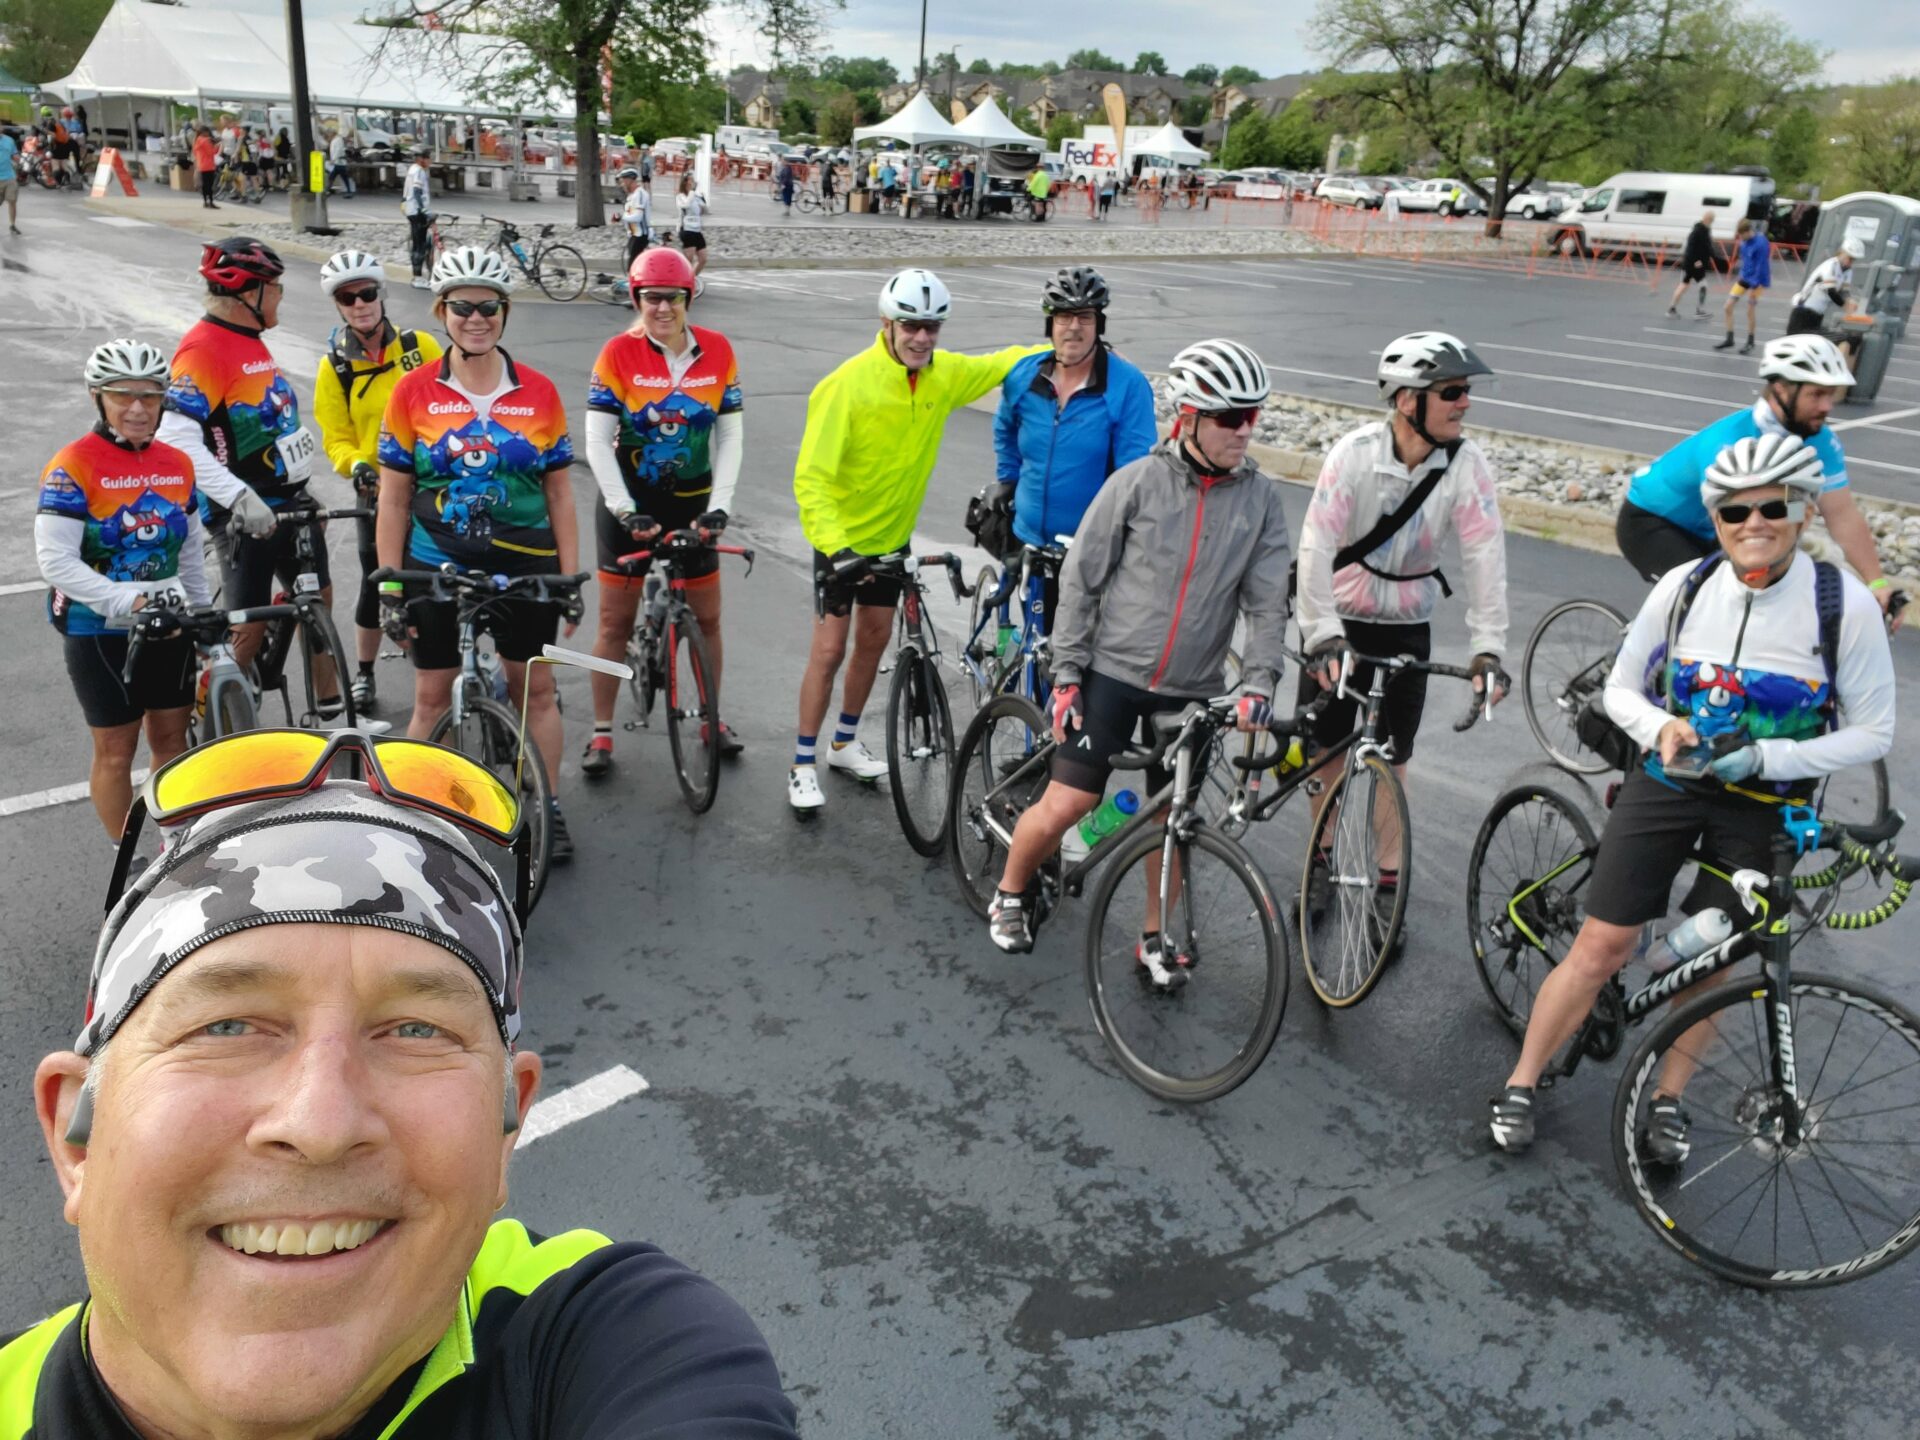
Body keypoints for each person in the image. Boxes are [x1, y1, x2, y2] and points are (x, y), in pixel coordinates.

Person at [6, 735, 802, 1436]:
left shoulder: (605, 1337)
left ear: (506, 1128)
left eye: (418, 1031)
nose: (321, 1122)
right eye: (227, 1026)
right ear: (74, 1130)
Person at [1489, 433, 1896, 1156]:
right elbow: (1619, 688)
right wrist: (1663, 724)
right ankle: (1523, 1080)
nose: (1753, 525)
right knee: (1603, 944)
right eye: (1733, 514)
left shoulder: (1843, 609)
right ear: (1715, 522)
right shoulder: (1685, 589)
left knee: (1710, 960)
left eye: (1772, 507)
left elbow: (1874, 732)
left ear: (1801, 512)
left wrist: (1771, 754)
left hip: (1767, 806)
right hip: (1667, 783)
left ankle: (1668, 1099)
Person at [985, 340, 1292, 965]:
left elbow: (1267, 604)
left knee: (1171, 825)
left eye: (1254, 415)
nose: (1247, 430)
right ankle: (1010, 892)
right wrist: (1067, 674)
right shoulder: (1138, 484)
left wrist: (1259, 681)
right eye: (1233, 417)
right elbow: (1083, 580)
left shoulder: (1261, 501)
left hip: (1192, 689)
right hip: (1111, 674)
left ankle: (1153, 938)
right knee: (1072, 800)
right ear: (1190, 417)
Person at [789, 269, 1040, 814]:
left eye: (932, 326)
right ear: (887, 323)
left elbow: (1004, 361)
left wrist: (1071, 345)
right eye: (911, 325)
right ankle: (803, 763)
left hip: (890, 543)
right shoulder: (846, 385)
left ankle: (843, 744)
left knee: (873, 644)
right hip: (842, 546)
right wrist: (836, 546)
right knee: (829, 651)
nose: (922, 337)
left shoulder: (942, 375)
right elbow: (811, 478)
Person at [1294, 331, 1510, 938]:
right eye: (1453, 392)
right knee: (1327, 751)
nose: (1465, 403)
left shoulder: (1466, 464)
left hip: (1408, 627)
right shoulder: (1354, 455)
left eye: (1466, 392)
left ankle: (1388, 880)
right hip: (1341, 622)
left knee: (1396, 757)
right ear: (1407, 400)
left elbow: (1484, 554)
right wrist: (1322, 634)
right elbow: (1314, 547)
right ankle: (1320, 855)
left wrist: (1487, 645)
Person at [376, 246, 583, 862]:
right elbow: (393, 497)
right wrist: (388, 584)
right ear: (442, 312)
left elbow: (560, 493)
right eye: (462, 306)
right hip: (434, 562)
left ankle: (545, 805)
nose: (476, 317)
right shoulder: (412, 392)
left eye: (488, 306)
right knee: (432, 698)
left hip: (525, 562)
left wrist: (569, 575)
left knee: (535, 692)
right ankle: (417, 815)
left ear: (504, 312)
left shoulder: (539, 392)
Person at [36, 340, 209, 840]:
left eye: (150, 396)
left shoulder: (177, 462)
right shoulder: (73, 465)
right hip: (99, 629)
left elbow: (192, 552)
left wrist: (203, 616)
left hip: (169, 621)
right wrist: (127, 600)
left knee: (172, 739)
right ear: (98, 397)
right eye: (122, 395)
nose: (137, 408)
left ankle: (175, 843)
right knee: (116, 750)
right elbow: (56, 561)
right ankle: (127, 862)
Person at [581, 246, 744, 777]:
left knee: (710, 619)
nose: (663, 309)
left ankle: (710, 718)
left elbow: (730, 435)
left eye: (673, 298)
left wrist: (719, 508)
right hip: (629, 505)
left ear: (688, 297)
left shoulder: (717, 351)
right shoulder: (615, 354)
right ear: (638, 299)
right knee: (612, 623)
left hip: (693, 504)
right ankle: (602, 732)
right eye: (652, 299)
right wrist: (625, 510)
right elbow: (597, 441)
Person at [1616, 335, 1901, 626]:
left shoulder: (1820, 440)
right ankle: (1639, 656)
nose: (1828, 406)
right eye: (1816, 395)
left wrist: (1875, 584)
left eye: (1831, 394)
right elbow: (1736, 523)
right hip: (1652, 524)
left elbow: (1840, 514)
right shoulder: (1732, 442)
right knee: (1707, 605)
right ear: (1781, 389)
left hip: (1718, 526)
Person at [159, 238, 336, 697]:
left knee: (320, 601)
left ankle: (331, 706)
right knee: (248, 629)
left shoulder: (249, 339)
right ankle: (221, 719)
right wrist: (239, 496)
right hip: (244, 513)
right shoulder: (204, 350)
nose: (280, 295)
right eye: (274, 286)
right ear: (247, 294)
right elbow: (175, 439)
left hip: (288, 502)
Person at [989, 265, 1157, 629]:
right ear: (1050, 324)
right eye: (1064, 316)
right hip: (1027, 540)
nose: (1074, 327)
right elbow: (1004, 429)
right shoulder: (1024, 375)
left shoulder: (1127, 385)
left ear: (1100, 324)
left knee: (1071, 663)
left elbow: (1136, 474)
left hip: (1089, 552)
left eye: (1085, 316)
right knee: (1034, 648)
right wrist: (1007, 477)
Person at [314, 249, 442, 715]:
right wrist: (357, 466)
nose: (360, 304)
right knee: (379, 579)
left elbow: (450, 401)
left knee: (434, 573)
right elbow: (336, 438)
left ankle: (442, 660)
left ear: (381, 294)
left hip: (432, 483)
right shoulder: (338, 368)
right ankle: (365, 673)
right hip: (377, 490)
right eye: (348, 298)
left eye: (367, 293)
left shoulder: (420, 347)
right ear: (339, 306)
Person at [1788, 236, 1865, 353]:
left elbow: (1844, 292)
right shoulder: (1831, 266)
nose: (1850, 263)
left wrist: (1851, 303)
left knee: (1850, 340)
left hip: (1818, 315)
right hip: (1803, 313)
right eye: (1850, 258)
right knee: (1801, 348)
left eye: (1854, 260)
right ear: (1842, 252)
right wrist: (1846, 307)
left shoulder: (1847, 270)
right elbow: (1832, 292)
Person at [1716, 217, 1770, 353]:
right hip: (1745, 277)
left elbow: (1761, 266)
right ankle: (1730, 338)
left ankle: (1750, 342)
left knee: (1749, 310)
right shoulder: (1743, 243)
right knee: (1728, 307)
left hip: (1758, 281)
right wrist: (1742, 275)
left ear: (1749, 231)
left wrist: (1755, 285)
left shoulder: (1761, 243)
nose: (1741, 238)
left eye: (1742, 235)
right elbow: (1745, 260)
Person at [1665, 211, 1717, 318]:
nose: (1712, 223)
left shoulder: (1705, 230)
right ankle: (1698, 310)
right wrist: (1696, 261)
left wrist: (1712, 255)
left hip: (1696, 264)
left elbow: (1707, 247)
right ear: (1707, 219)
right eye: (1711, 220)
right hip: (1694, 264)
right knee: (1696, 285)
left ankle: (1672, 308)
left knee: (1686, 285)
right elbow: (1690, 248)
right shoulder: (1697, 231)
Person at [402, 144, 433, 289]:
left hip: (410, 210)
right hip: (417, 211)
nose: (430, 160)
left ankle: (419, 275)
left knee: (418, 243)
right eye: (428, 157)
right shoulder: (419, 171)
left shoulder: (412, 169)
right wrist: (423, 210)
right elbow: (416, 191)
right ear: (420, 158)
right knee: (419, 245)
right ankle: (418, 278)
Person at [676, 171, 709, 286]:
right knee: (688, 259)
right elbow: (685, 205)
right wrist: (692, 192)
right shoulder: (680, 196)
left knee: (703, 258)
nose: (692, 183)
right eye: (690, 180)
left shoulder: (695, 195)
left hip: (697, 230)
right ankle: (681, 282)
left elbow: (704, 210)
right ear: (685, 182)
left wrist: (703, 203)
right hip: (687, 229)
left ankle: (690, 280)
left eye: (693, 180)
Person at [616, 164, 651, 271]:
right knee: (634, 268)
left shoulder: (640, 194)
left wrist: (622, 217)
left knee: (632, 269)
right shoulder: (632, 196)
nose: (622, 184)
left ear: (630, 180)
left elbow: (638, 217)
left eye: (623, 181)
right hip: (634, 235)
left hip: (640, 235)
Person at [0, 122, 20, 234]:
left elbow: (14, 154)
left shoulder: (9, 140)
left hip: (9, 177)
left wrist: (18, 159)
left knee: (12, 201)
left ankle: (12, 225)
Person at [192, 124, 218, 209]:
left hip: (201, 164)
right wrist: (216, 147)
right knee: (209, 185)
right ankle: (210, 201)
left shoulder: (197, 140)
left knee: (204, 184)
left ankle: (205, 201)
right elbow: (211, 152)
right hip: (209, 165)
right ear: (204, 132)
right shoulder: (206, 141)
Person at [327, 126, 356, 198]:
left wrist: (333, 159)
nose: (328, 135)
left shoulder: (337, 140)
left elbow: (338, 150)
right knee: (340, 177)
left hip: (339, 162)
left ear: (332, 133)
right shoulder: (336, 140)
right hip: (338, 162)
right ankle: (328, 190)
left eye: (329, 133)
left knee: (334, 176)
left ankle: (327, 190)